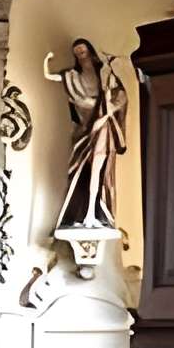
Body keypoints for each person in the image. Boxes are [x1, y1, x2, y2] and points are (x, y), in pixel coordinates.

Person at [46, 37, 126, 235]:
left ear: (90, 50)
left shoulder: (104, 73)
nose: (81, 54)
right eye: (77, 52)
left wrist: (108, 109)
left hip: (102, 124)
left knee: (99, 170)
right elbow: (51, 76)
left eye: (83, 50)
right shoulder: (73, 77)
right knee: (79, 170)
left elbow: (120, 97)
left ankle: (94, 213)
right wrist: (46, 61)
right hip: (84, 129)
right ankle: (82, 214)